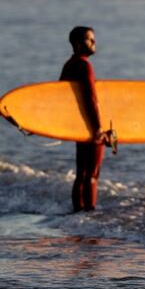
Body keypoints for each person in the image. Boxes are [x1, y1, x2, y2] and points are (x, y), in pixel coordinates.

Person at [60, 26, 110, 212]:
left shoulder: (70, 64)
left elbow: (61, 95)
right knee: (92, 174)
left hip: (79, 126)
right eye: (90, 39)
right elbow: (91, 98)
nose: (94, 43)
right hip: (90, 125)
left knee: (81, 173)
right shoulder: (84, 65)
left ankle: (77, 213)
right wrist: (98, 128)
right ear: (79, 44)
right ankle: (89, 213)